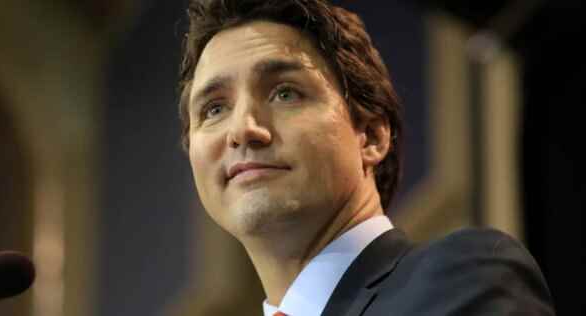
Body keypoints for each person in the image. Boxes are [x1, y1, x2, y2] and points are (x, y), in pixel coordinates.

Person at [177, 0, 555, 315]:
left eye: (285, 93)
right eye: (213, 109)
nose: (243, 129)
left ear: (371, 136)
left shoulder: (463, 278)